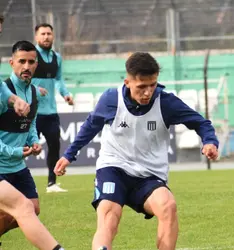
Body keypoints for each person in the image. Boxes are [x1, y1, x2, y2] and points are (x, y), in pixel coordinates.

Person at [54, 52, 219, 250]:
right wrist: (68, 155)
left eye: (153, 85)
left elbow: (201, 123)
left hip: (149, 176)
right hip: (113, 169)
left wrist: (210, 141)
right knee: (109, 215)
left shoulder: (167, 103)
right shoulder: (110, 99)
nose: (148, 92)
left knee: (168, 206)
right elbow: (90, 127)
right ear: (128, 82)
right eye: (142, 87)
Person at [0, 40, 64, 250]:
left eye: (31, 62)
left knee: (33, 209)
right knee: (23, 207)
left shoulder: (35, 92)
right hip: (2, 165)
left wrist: (34, 141)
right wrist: (15, 151)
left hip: (17, 167)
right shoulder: (4, 92)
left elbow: (31, 122)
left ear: (37, 64)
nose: (26, 66)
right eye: (22, 61)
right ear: (12, 63)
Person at [32, 23, 74, 193]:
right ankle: (12, 181)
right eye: (42, 34)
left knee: (54, 146)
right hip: (32, 112)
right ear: (36, 36)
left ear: (53, 36)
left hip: (50, 112)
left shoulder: (57, 57)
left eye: (49, 33)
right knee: (25, 147)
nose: (46, 37)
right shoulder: (30, 56)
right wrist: (35, 90)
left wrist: (66, 94)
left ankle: (52, 183)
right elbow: (21, 80)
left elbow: (58, 79)